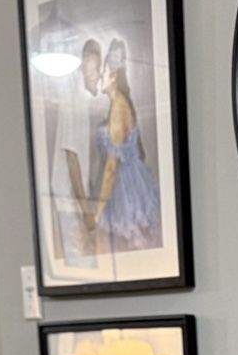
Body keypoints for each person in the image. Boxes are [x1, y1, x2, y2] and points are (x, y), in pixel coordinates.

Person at [86, 38, 162, 251]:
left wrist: (99, 211)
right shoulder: (117, 104)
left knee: (132, 245)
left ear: (113, 77)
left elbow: (111, 166)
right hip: (126, 183)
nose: (99, 77)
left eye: (103, 72)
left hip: (127, 187)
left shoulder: (119, 107)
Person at [47, 39, 105, 266]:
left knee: (93, 257)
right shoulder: (72, 103)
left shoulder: (94, 101)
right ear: (82, 67)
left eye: (96, 69)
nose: (93, 74)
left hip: (87, 194)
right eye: (89, 69)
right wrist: (85, 210)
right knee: (80, 262)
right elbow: (73, 162)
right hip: (70, 197)